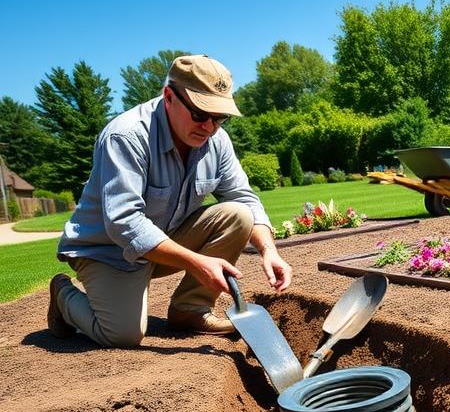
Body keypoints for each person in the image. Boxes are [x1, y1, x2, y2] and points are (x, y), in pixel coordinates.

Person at [47, 54, 292, 347]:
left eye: (219, 117)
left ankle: (190, 309)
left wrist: (268, 250)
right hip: (106, 251)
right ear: (168, 97)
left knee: (238, 214)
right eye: (200, 114)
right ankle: (63, 295)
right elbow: (124, 222)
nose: (209, 127)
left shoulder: (216, 140)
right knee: (123, 334)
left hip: (162, 240)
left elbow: (243, 196)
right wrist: (196, 263)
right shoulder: (125, 136)